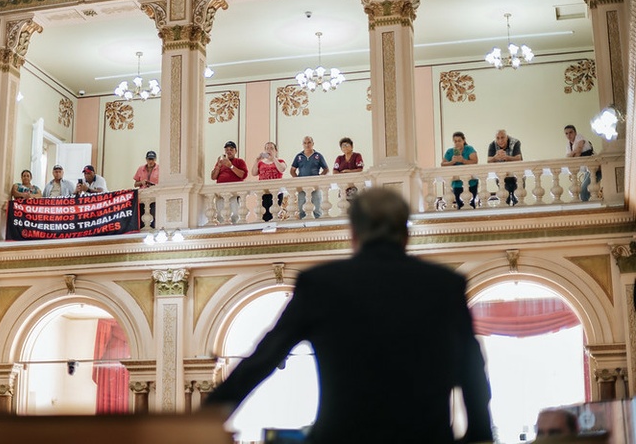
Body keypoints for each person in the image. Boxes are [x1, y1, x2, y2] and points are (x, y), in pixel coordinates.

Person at [204, 187, 493, 444]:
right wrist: (479, 433)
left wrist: (203, 420)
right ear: (406, 234)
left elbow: (264, 358)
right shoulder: (444, 285)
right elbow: (471, 366)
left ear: (354, 234)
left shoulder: (321, 284)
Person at [290, 136, 329, 219]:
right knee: (302, 207)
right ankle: (303, 226)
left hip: (315, 185)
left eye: (309, 142)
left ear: (313, 143)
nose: (307, 145)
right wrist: (298, 181)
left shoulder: (318, 156)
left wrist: (319, 178)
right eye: (305, 143)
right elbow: (292, 170)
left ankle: (319, 227)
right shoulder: (299, 156)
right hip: (302, 186)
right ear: (302, 144)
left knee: (317, 207)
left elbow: (326, 169)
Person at [211, 141, 248, 223]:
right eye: (227, 149)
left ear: (235, 151)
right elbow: (213, 177)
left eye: (231, 149)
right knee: (221, 215)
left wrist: (230, 166)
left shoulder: (239, 161)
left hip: (234, 194)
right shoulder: (220, 163)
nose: (229, 151)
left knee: (235, 215)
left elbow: (243, 175)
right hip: (221, 194)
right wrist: (218, 166)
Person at [442, 131, 479, 209]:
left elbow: (475, 161)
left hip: (471, 182)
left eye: (459, 141)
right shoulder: (450, 151)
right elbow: (443, 164)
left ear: (463, 140)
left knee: (471, 204)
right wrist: (452, 162)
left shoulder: (469, 149)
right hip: (456, 183)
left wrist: (463, 161)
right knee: (460, 204)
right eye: (455, 141)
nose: (457, 143)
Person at [251, 141, 286, 222]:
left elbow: (282, 169)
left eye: (271, 148)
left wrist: (273, 158)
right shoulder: (261, 163)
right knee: (264, 213)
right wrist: (257, 160)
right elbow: (254, 173)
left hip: (276, 191)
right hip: (263, 191)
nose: (269, 150)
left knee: (274, 212)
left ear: (275, 150)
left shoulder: (280, 161)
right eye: (267, 148)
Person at [487, 130, 523, 205]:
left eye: (502, 137)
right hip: (502, 177)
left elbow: (518, 158)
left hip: (516, 176)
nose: (500, 140)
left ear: (507, 137)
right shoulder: (492, 145)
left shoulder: (515, 142)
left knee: (518, 200)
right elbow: (489, 160)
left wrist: (506, 157)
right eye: (498, 138)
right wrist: (495, 158)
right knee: (505, 200)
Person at [564, 124, 599, 202]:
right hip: (588, 170)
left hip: (596, 168)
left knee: (583, 192)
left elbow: (579, 150)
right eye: (566, 133)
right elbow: (568, 158)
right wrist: (574, 153)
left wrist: (573, 154)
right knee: (583, 192)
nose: (569, 135)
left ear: (575, 133)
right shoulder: (568, 146)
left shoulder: (579, 137)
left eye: (571, 132)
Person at [133, 150, 159, 228]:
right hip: (143, 195)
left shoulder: (160, 168)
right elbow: (135, 184)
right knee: (141, 214)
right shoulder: (141, 169)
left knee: (153, 213)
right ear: (146, 159)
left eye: (152, 159)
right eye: (149, 159)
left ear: (155, 159)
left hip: (154, 195)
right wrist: (142, 182)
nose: (150, 161)